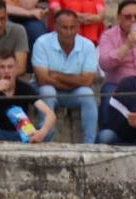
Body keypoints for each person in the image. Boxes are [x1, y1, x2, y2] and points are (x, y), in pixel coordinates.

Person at [30, 8, 96, 143]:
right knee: (47, 90)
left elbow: (88, 81)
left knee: (87, 94)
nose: (69, 32)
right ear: (55, 27)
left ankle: (90, 143)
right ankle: (46, 137)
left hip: (72, 92)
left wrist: (57, 75)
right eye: (65, 28)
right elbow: (42, 79)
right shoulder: (42, 42)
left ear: (78, 27)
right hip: (50, 90)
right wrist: (75, 82)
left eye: (73, 27)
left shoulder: (88, 45)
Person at [0, 47, 53, 140]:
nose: (6, 71)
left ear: (16, 69)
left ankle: (32, 145)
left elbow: (50, 114)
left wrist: (43, 132)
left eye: (10, 67)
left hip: (22, 133)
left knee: (49, 130)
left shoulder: (25, 88)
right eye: (2, 67)